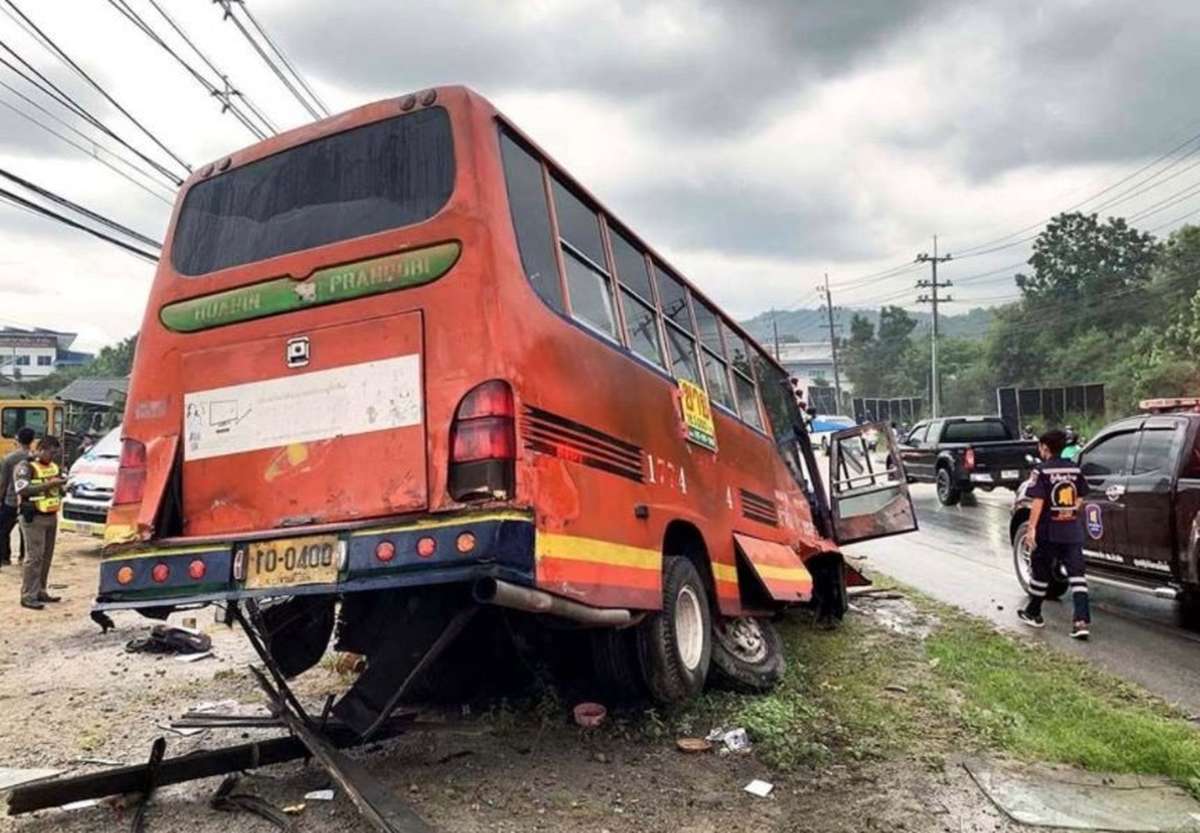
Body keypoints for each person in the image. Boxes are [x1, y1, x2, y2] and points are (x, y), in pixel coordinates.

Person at [1019, 429, 1091, 639]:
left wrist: (1031, 529)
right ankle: (1081, 622)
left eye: (1040, 447)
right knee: (1077, 576)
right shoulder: (1075, 470)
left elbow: (1038, 502)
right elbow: (1080, 498)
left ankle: (1034, 613)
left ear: (1045, 448)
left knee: (1040, 570)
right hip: (1071, 530)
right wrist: (1069, 512)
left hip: (1048, 531)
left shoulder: (1040, 471)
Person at [13, 435, 66, 610]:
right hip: (33, 517)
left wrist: (62, 486)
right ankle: (28, 595)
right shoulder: (25, 466)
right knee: (34, 558)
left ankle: (41, 590)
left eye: (56, 452)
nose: (54, 456)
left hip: (51, 514)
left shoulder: (53, 467)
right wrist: (49, 484)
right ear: (42, 449)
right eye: (51, 452)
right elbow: (22, 489)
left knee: (46, 557)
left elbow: (56, 488)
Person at [0, 426, 35, 568]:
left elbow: (3, 482)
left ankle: (4, 558)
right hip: (30, 501)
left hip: (11, 500)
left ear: (17, 440)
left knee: (3, 530)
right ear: (32, 441)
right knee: (25, 532)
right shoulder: (34, 458)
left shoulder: (8, 459)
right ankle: (23, 557)